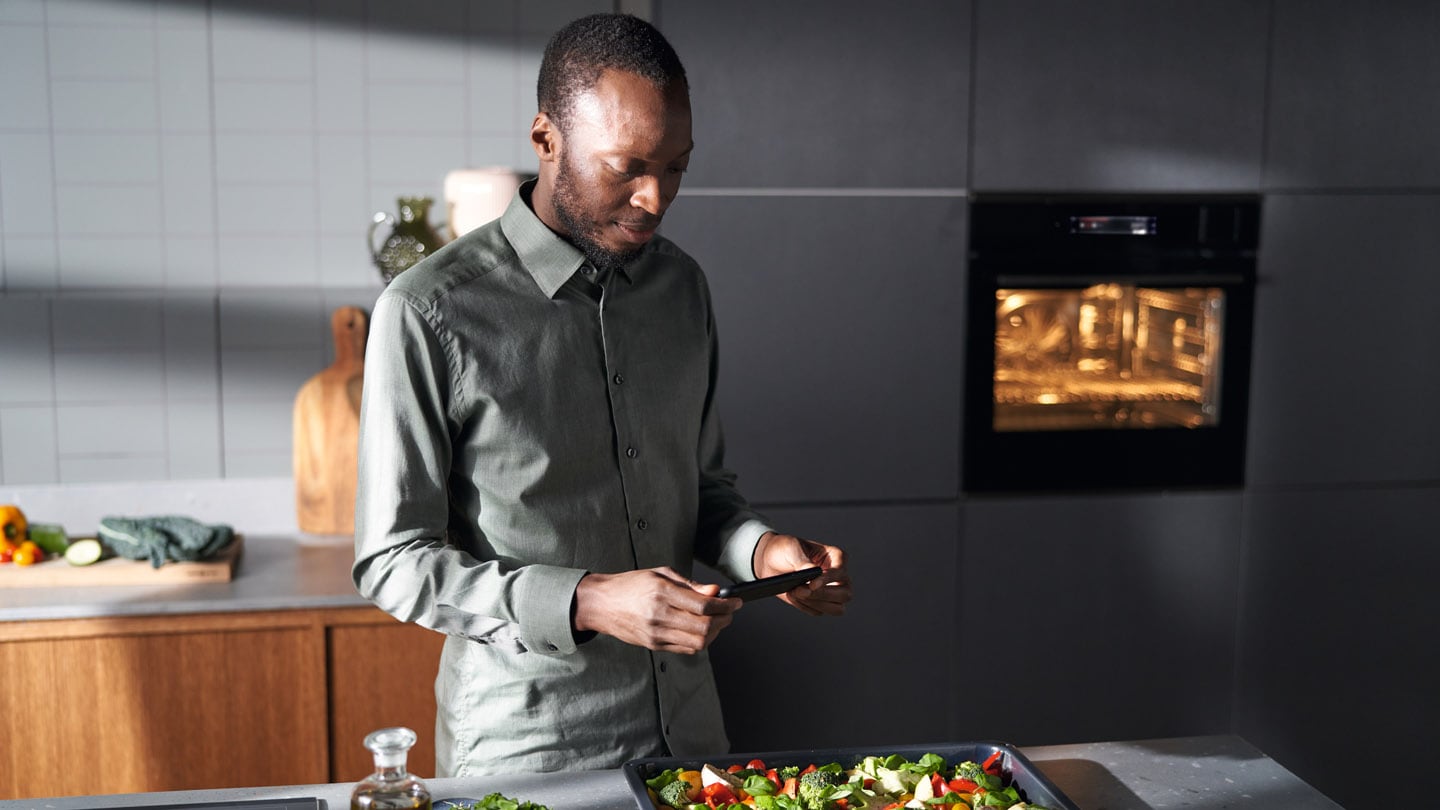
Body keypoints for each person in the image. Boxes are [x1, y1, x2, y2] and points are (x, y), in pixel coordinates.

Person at [353, 12, 852, 777]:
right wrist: (587, 600)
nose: (656, 198)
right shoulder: (429, 311)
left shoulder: (681, 287)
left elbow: (703, 490)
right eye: (628, 166)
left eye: (678, 166)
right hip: (527, 754)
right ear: (546, 139)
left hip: (689, 743)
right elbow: (393, 561)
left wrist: (762, 554)